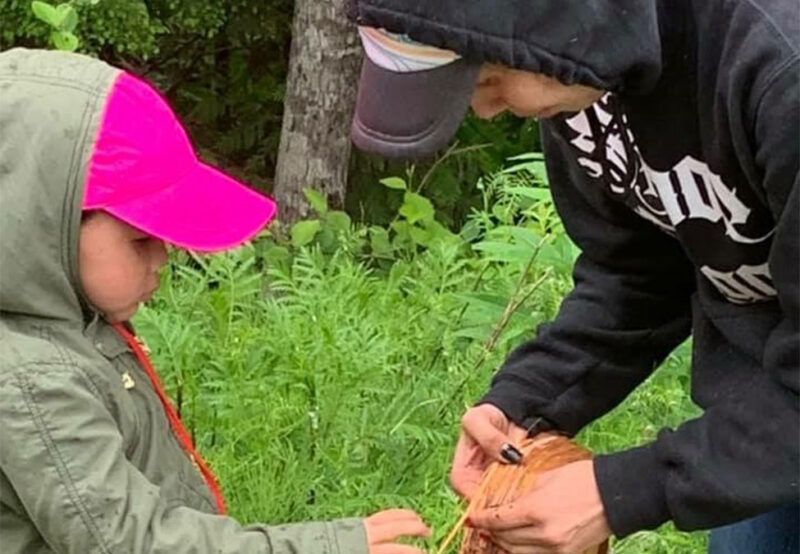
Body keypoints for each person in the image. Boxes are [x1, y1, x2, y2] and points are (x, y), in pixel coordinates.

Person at [347, 2, 799, 553]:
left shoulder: (779, 66)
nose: (484, 109)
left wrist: (620, 492)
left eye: (490, 77)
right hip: (768, 424)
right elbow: (638, 271)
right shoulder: (579, 80)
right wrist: (529, 401)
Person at [0, 47, 430, 554]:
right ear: (43, 226)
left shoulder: (70, 322)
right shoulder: (32, 379)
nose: (162, 257)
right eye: (140, 240)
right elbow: (133, 542)